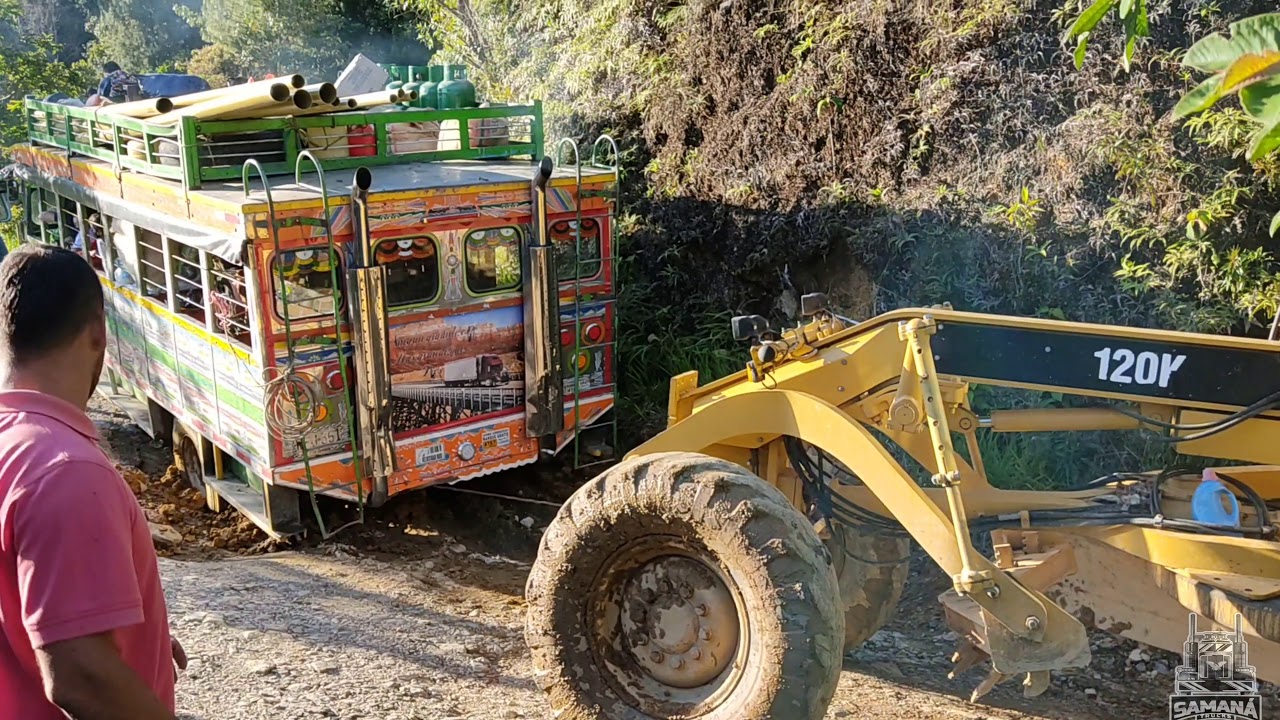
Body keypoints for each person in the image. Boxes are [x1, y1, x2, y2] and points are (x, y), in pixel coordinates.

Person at [0, 245, 184, 719]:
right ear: (99, 334)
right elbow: (80, 676)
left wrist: (133, 637)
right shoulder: (64, 469)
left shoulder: (13, 445)